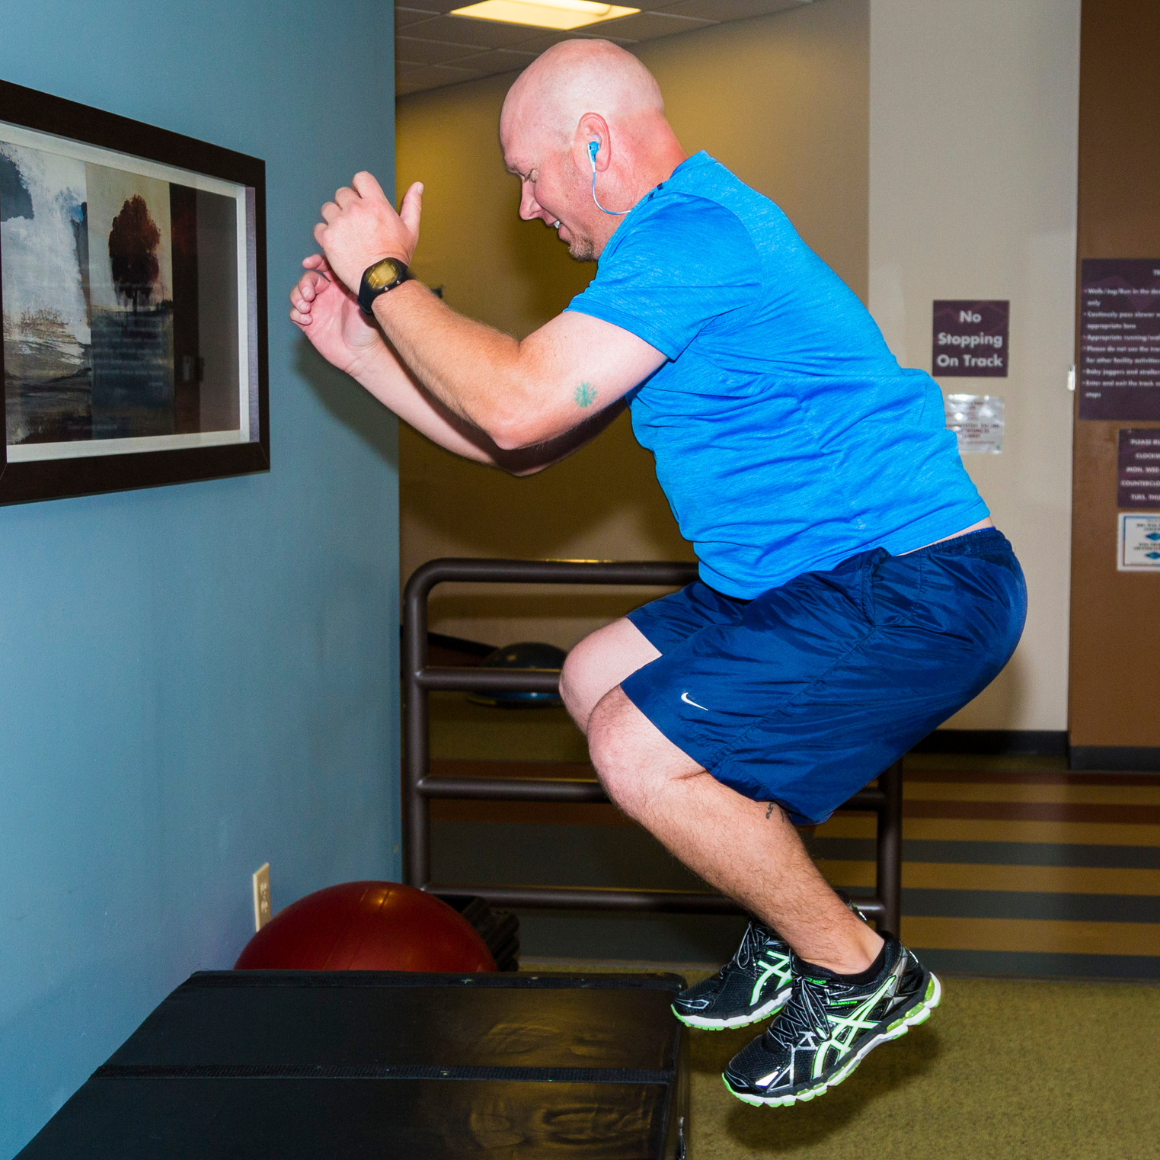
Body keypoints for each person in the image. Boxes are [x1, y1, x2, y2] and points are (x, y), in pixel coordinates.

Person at [290, 38, 1026, 1107]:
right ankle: (782, 928)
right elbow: (518, 442)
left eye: (528, 176)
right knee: (592, 678)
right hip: (790, 583)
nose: (532, 208)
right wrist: (363, 350)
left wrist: (384, 275)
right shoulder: (661, 256)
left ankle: (857, 969)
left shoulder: (693, 232)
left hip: (912, 581)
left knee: (640, 749)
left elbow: (514, 399)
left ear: (593, 144)